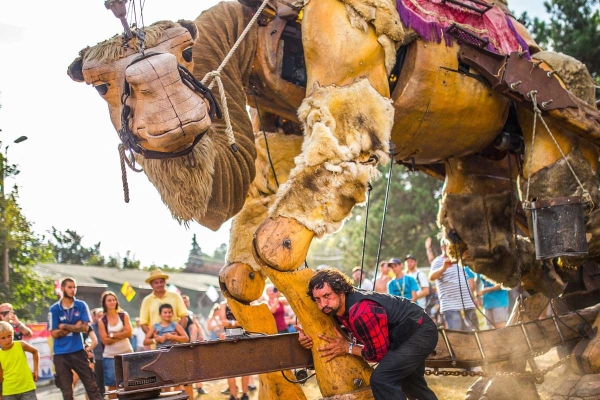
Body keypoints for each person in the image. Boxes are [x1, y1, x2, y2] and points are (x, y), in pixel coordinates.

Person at [298, 268, 438, 400]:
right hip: (406, 331)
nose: (322, 304)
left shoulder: (361, 311)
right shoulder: (335, 307)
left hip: (419, 331)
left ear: (340, 291)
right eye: (317, 299)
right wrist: (306, 336)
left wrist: (348, 347)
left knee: (382, 379)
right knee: (411, 384)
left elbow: (379, 354)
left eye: (327, 296)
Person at [47, 277, 103, 400]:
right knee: (66, 391)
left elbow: (84, 327)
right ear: (62, 288)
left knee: (91, 385)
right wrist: (75, 326)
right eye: (70, 287)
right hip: (61, 354)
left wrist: (65, 326)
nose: (73, 290)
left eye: (74, 287)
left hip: (78, 350)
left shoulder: (81, 305)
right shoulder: (54, 309)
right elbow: (54, 333)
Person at [428, 241, 479, 331]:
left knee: (473, 332)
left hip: (467, 302)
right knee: (457, 333)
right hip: (451, 305)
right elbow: (431, 277)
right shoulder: (438, 261)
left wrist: (473, 297)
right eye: (448, 247)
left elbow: (469, 281)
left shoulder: (460, 260)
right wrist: (443, 268)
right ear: (442, 248)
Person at [97, 291, 133, 398]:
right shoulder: (102, 320)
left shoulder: (123, 315)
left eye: (114, 299)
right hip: (110, 356)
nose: (112, 302)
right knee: (113, 385)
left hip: (126, 353)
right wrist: (121, 334)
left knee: (129, 383)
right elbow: (105, 340)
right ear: (104, 303)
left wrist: (112, 335)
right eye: (109, 300)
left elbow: (129, 332)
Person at [139, 270, 188, 337]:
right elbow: (143, 323)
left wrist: (178, 334)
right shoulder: (147, 300)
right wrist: (154, 337)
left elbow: (184, 316)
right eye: (156, 283)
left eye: (161, 282)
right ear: (151, 285)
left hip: (176, 340)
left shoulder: (175, 296)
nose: (159, 284)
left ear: (165, 282)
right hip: (157, 342)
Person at [218, 301, 250, 400]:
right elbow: (223, 322)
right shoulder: (223, 304)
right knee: (230, 368)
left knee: (245, 367)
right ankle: (233, 396)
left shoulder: (244, 302)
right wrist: (237, 323)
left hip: (243, 337)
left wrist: (230, 323)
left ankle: (245, 394)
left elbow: (247, 322)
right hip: (228, 337)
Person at [0, 321, 39, 400]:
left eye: (9, 336)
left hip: (27, 388)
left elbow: (35, 352)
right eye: (3, 338)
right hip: (9, 392)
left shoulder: (21, 345)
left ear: (13, 334)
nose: (7, 340)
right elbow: (1, 376)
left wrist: (36, 370)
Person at [181, 295, 208, 396]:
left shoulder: (191, 314)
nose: (185, 303)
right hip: (183, 344)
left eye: (187, 301)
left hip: (192, 343)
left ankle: (199, 386)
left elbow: (196, 325)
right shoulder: (177, 313)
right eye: (183, 301)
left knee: (197, 365)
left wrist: (201, 335)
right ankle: (186, 389)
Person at [89, 308, 105, 398]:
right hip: (97, 357)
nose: (101, 318)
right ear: (94, 317)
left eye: (102, 316)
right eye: (99, 316)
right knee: (98, 380)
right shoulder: (91, 328)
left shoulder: (107, 326)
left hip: (109, 355)